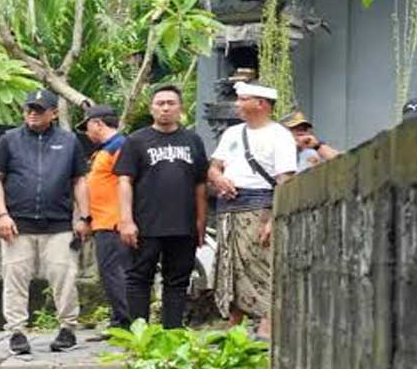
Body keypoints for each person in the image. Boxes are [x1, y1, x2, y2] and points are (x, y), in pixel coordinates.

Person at [0, 89, 90, 354]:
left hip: (59, 224)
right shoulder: (9, 140)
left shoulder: (69, 142)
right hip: (17, 224)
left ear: (53, 113)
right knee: (15, 277)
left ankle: (67, 328)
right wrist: (1, 214)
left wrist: (84, 217)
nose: (32, 113)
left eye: (39, 109)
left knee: (64, 277)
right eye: (29, 108)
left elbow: (79, 180)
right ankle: (17, 332)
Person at [114, 84, 209, 329]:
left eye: (171, 103)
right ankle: (138, 335)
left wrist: (201, 220)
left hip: (183, 225)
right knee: (138, 279)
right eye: (160, 103)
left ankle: (172, 335)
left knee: (177, 281)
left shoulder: (193, 140)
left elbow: (200, 183)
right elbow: (124, 180)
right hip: (145, 224)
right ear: (151, 108)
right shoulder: (136, 141)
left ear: (180, 108)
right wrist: (125, 220)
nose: (165, 108)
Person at [207, 81, 297, 339]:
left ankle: (266, 325)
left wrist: (274, 219)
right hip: (229, 209)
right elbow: (213, 167)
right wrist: (219, 178)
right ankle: (233, 324)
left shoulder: (279, 135)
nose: (237, 104)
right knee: (229, 267)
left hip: (260, 206)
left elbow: (285, 181)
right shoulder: (232, 134)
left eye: (243, 99)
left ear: (261, 103)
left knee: (260, 266)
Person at [79, 103, 130, 332]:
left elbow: (127, 182)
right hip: (103, 222)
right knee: (110, 274)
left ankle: (124, 323)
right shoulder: (107, 149)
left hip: (114, 222)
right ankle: (118, 320)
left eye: (87, 127)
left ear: (97, 123)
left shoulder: (119, 146)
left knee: (115, 274)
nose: (87, 134)